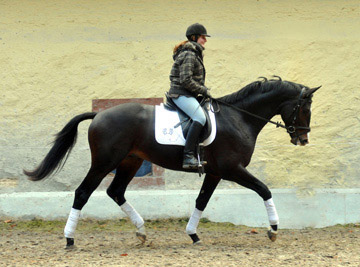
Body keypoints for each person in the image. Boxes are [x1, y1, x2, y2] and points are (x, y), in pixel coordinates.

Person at [168, 23, 212, 169]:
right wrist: (203, 90)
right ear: (194, 37)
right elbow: (185, 80)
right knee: (200, 117)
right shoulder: (189, 53)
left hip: (188, 93)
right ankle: (188, 156)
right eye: (202, 37)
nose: (205, 40)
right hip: (181, 93)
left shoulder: (194, 52)